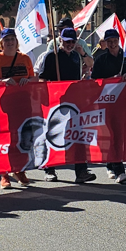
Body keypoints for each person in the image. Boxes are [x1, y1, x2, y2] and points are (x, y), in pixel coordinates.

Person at [39, 27, 97, 183]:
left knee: (78, 135)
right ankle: (49, 169)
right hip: (55, 101)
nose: (69, 44)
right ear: (60, 40)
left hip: (74, 101)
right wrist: (50, 92)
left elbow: (90, 65)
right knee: (53, 134)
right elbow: (42, 79)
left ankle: (81, 171)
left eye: (72, 41)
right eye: (67, 41)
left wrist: (82, 53)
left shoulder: (77, 56)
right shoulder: (51, 56)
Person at [0, 28, 35, 189]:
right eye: (7, 40)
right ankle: (4, 173)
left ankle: (19, 169)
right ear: (1, 43)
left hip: (23, 104)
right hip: (4, 105)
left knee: (22, 138)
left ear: (16, 41)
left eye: (12, 39)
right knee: (6, 139)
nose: (10, 42)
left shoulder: (25, 58)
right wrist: (3, 81)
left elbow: (34, 78)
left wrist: (28, 81)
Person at [90, 28, 126, 183]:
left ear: (119, 41)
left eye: (114, 41)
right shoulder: (100, 59)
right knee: (111, 134)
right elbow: (94, 81)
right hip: (106, 102)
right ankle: (119, 170)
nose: (112, 44)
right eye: (109, 41)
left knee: (118, 134)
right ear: (105, 43)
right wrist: (112, 79)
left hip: (124, 102)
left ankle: (111, 164)